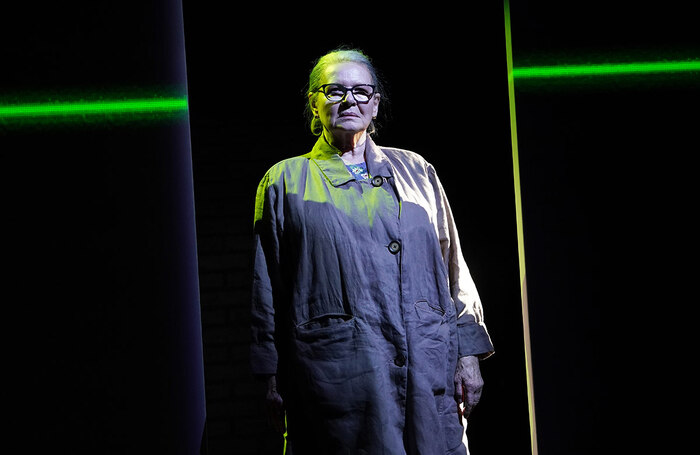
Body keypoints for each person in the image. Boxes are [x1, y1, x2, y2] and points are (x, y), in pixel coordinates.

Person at [250, 47, 494, 455]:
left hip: (426, 362)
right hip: (338, 372)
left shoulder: (417, 170)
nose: (350, 100)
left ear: (376, 104)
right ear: (313, 102)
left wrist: (468, 352)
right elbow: (265, 289)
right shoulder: (285, 181)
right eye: (334, 90)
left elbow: (455, 268)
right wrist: (270, 375)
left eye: (362, 91)